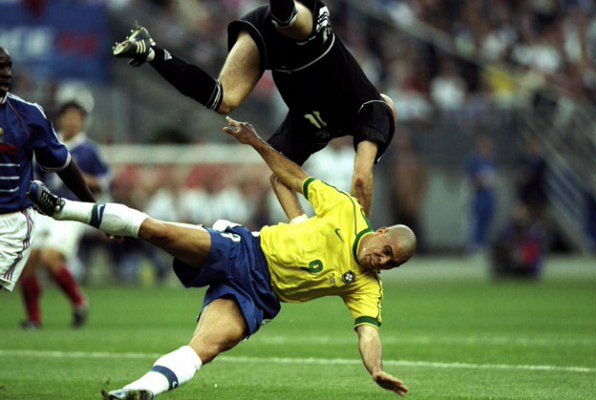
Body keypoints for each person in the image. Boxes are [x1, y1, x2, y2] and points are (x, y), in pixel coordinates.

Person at [28, 117, 416, 400]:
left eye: (391, 263)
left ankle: (136, 390)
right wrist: (256, 143)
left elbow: (368, 333)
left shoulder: (366, 287)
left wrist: (376, 368)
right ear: (381, 232)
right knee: (160, 232)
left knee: (206, 348)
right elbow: (292, 176)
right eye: (387, 251)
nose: (382, 261)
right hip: (243, 250)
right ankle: (63, 208)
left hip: (260, 297)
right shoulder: (346, 210)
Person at [112, 0, 397, 217]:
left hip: (268, 41)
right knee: (291, 22)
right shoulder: (373, 110)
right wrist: (361, 237)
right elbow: (360, 179)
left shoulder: (313, 130)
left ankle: (149, 50)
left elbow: (280, 177)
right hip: (307, 37)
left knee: (222, 99)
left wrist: (301, 228)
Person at [0, 47, 96, 293]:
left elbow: (63, 165)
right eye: (1, 66)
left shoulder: (27, 115)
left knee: (48, 258)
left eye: (9, 66)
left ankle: (76, 302)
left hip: (10, 221)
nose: (7, 73)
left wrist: (95, 211)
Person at [19, 100, 111, 329]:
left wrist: (77, 176)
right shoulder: (48, 143)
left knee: (50, 258)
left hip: (73, 210)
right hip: (42, 209)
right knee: (28, 260)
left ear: (83, 122)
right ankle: (34, 319)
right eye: (68, 116)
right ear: (60, 119)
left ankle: (79, 302)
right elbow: (35, 175)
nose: (72, 121)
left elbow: (106, 181)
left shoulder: (89, 149)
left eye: (77, 117)